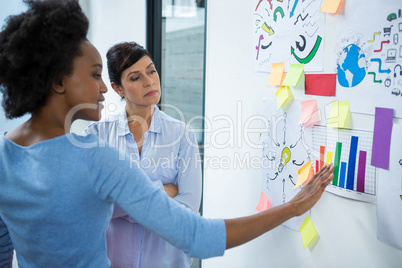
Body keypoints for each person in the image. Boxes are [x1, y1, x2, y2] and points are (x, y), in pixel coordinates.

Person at [0, 0, 334, 267]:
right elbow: (197, 235)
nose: (101, 88)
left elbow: (4, 247)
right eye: (95, 74)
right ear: (58, 81)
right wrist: (291, 208)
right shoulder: (96, 155)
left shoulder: (4, 157)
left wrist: (125, 201)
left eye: (151, 72)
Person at [84, 42, 202, 268]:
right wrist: (162, 190)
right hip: (111, 262)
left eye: (151, 71)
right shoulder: (97, 136)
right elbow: (91, 206)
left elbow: (188, 208)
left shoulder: (182, 134)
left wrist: (119, 200)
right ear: (118, 89)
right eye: (135, 77)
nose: (149, 81)